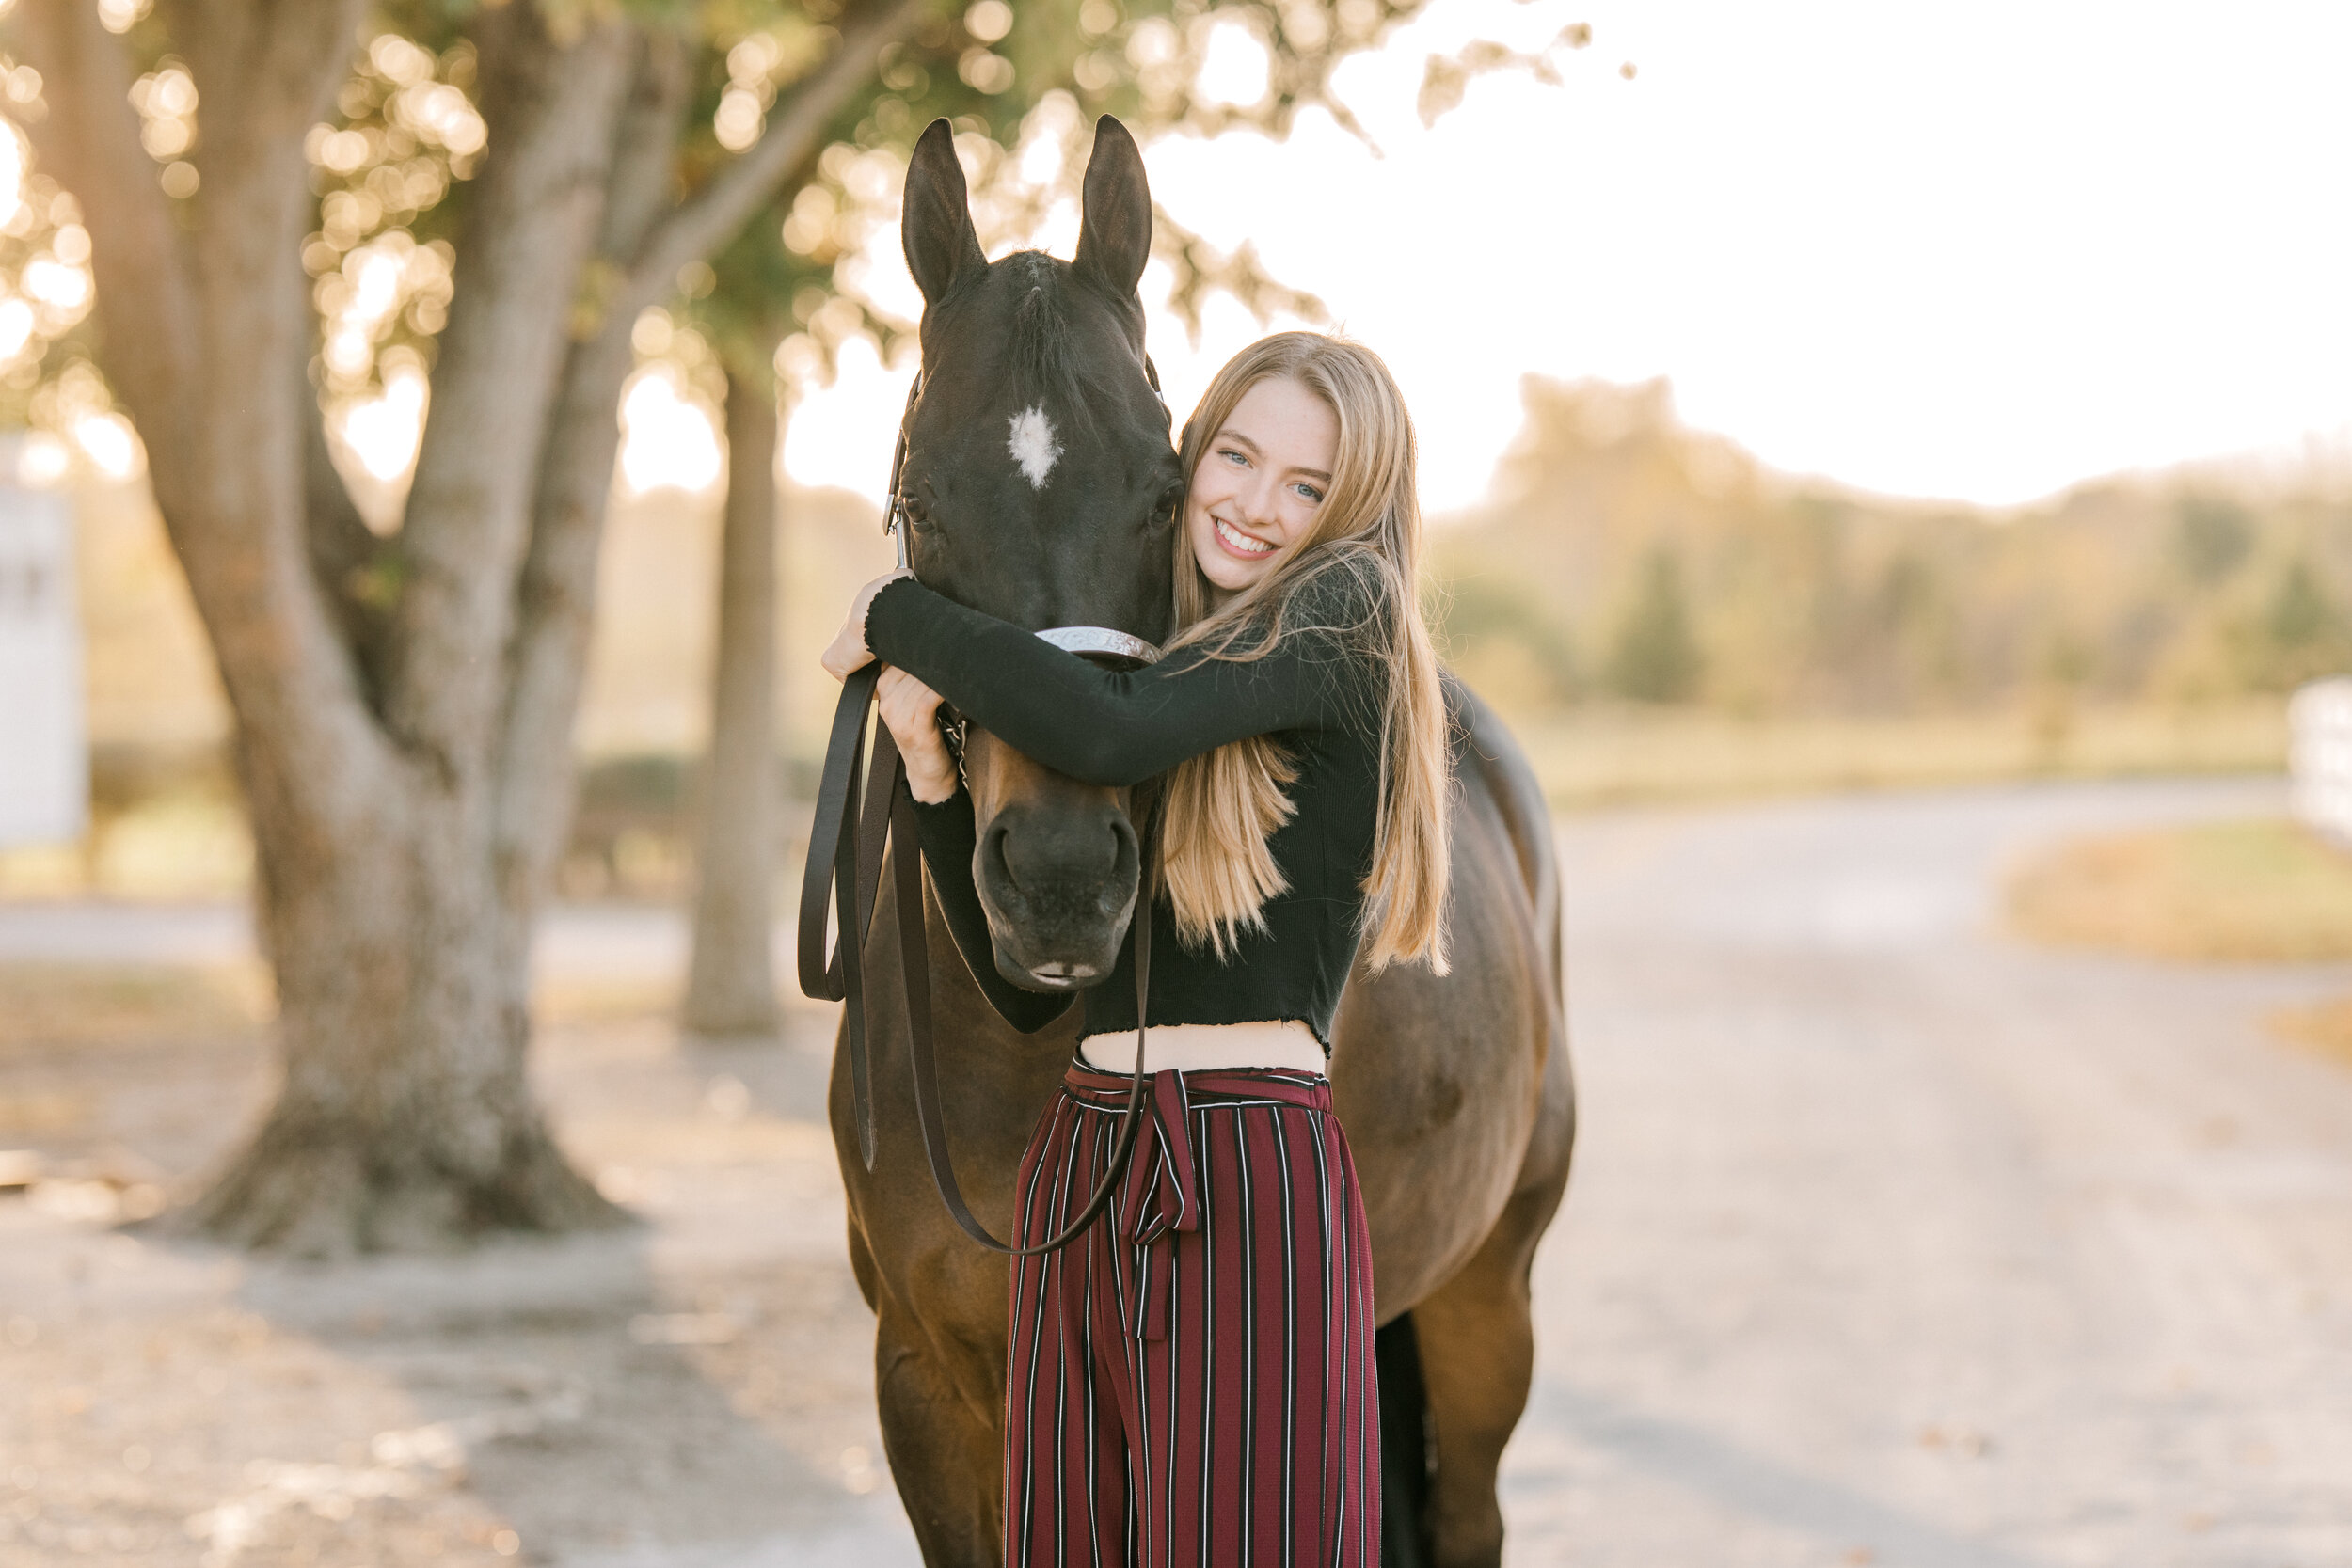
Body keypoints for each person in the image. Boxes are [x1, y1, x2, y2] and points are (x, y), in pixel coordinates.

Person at [822, 331, 1452, 1568]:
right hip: (1087, 1157)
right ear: (1191, 460)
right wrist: (935, 773)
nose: (1259, 505)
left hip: (1241, 1164)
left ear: (1354, 508)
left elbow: (1104, 733)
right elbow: (1018, 991)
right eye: (1238, 457)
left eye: (1308, 487)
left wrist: (904, 611)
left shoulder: (1343, 613)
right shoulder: (1164, 660)